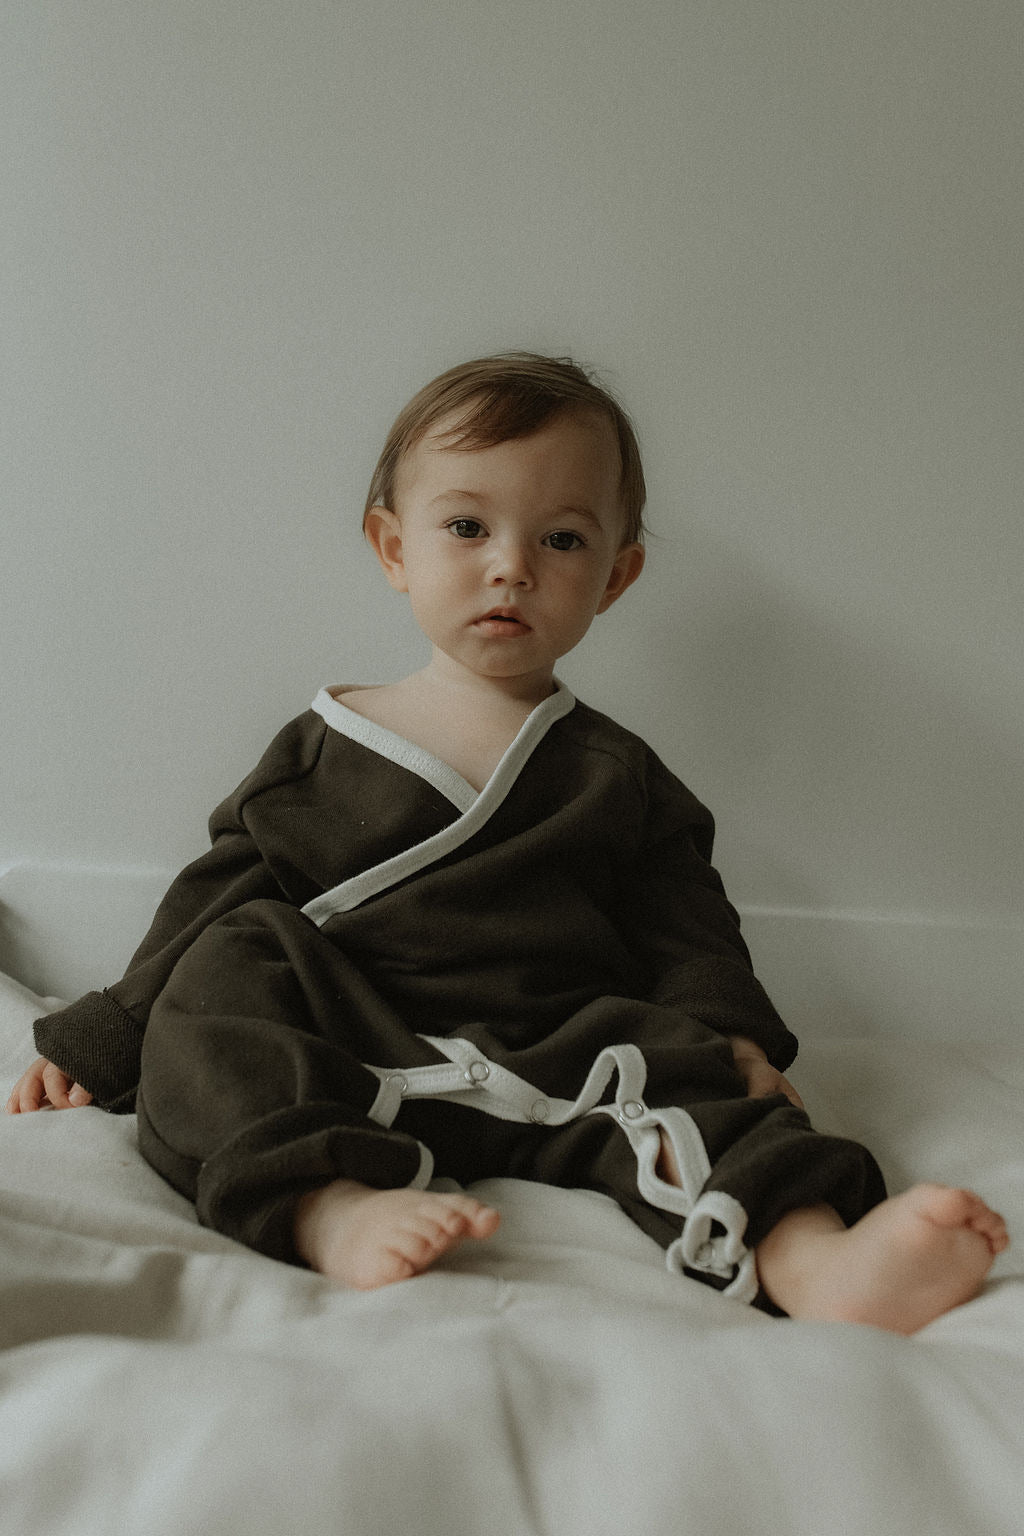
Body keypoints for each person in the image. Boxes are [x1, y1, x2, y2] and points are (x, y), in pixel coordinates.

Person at [7, 352, 1008, 1333]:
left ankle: (813, 1258)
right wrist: (112, 1030)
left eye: (562, 541)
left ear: (615, 576)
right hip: (350, 1031)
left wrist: (730, 1031)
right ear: (394, 548)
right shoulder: (326, 746)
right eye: (467, 526)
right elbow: (218, 893)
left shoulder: (614, 775)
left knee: (695, 1075)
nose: (510, 567)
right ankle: (331, 1206)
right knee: (229, 971)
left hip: (561, 1041)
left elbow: (686, 923)